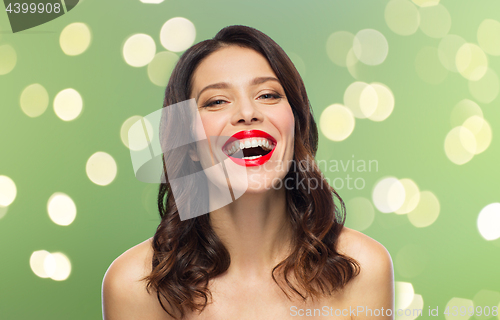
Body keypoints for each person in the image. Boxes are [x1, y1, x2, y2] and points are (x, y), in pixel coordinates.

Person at [102, 25, 394, 320]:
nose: (247, 112)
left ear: (296, 123)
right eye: (216, 101)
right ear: (188, 143)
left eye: (267, 95)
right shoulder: (133, 286)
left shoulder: (363, 268)